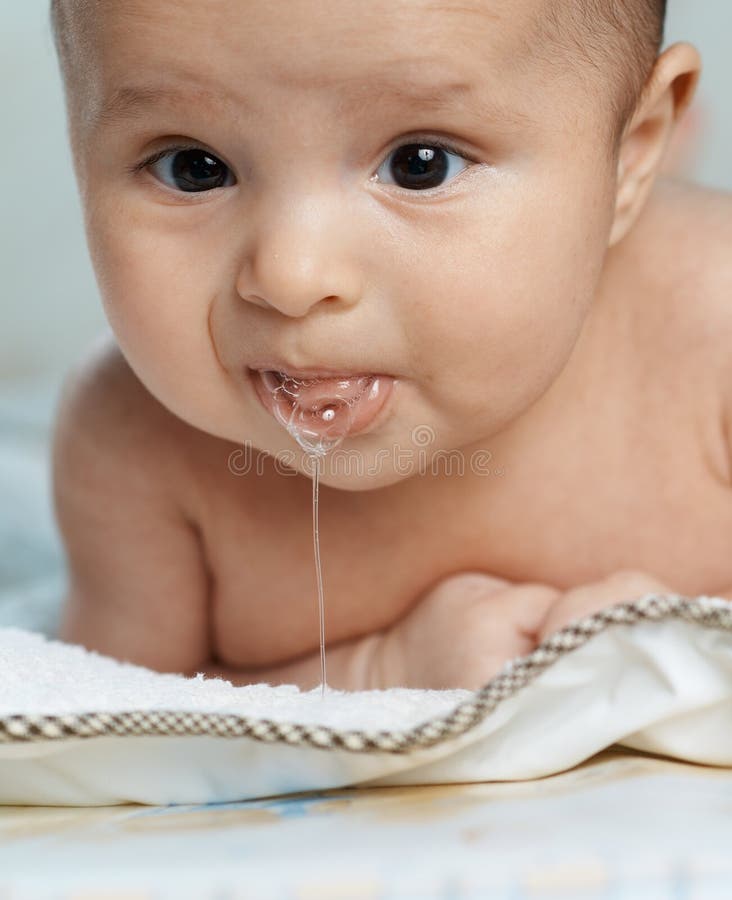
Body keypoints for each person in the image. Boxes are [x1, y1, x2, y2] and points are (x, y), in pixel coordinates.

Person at [48, 0, 732, 690]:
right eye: (193, 167)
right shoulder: (135, 448)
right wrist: (378, 673)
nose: (291, 277)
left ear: (631, 151)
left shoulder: (712, 330)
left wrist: (694, 652)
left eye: (419, 165)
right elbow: (118, 728)